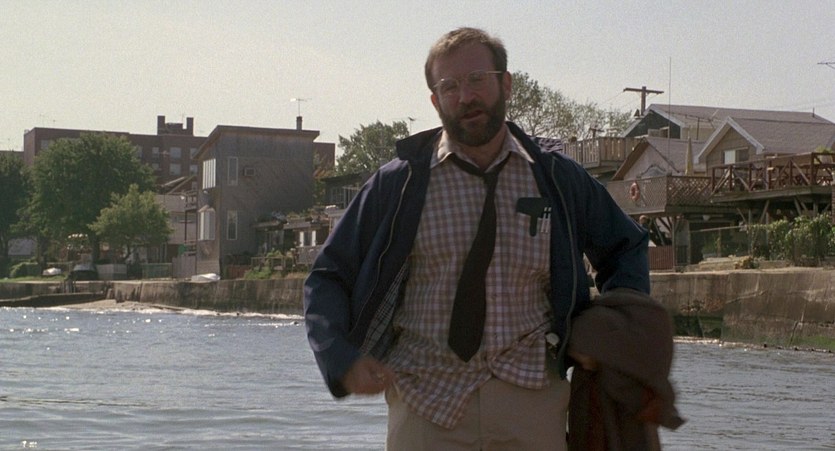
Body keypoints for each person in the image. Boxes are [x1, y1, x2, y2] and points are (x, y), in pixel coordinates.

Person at [304, 27, 650, 450]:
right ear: (435, 101)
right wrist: (340, 357)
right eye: (449, 87)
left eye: (477, 80)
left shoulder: (557, 179)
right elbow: (328, 275)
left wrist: (610, 334)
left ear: (506, 84)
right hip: (425, 405)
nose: (465, 96)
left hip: (532, 404)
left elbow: (626, 248)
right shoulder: (399, 185)